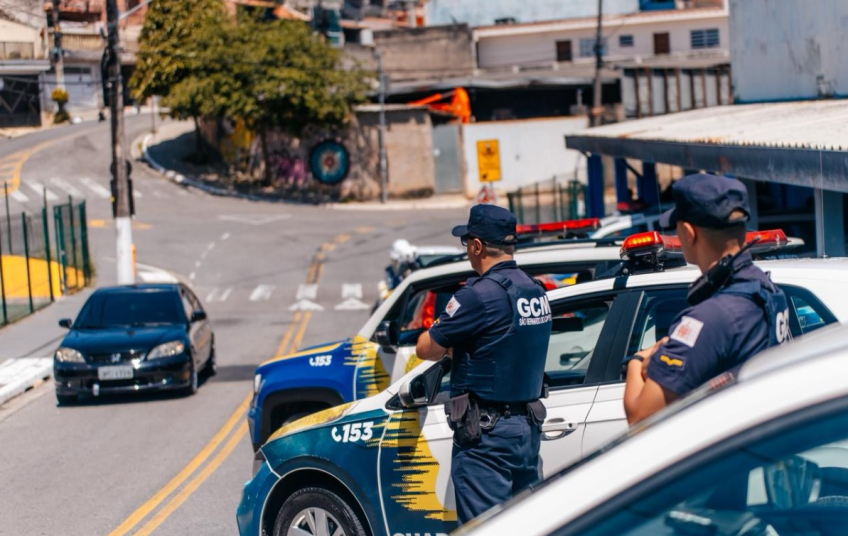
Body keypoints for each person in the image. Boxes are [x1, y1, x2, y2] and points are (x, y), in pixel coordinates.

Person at [416, 204, 551, 525]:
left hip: (486, 439)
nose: (467, 252)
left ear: (477, 246)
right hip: (526, 432)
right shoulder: (534, 289)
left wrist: (453, 348)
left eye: (467, 245)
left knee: (486, 529)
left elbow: (425, 348)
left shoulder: (478, 295)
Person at [623, 174, 790, 425]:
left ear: (688, 233)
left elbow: (639, 416)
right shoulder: (766, 288)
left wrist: (638, 360)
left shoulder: (711, 317)